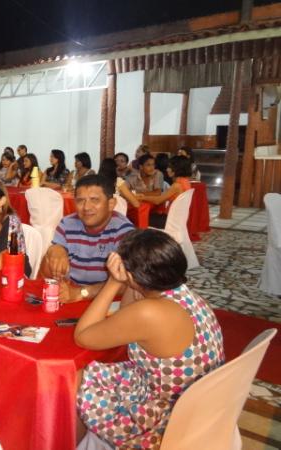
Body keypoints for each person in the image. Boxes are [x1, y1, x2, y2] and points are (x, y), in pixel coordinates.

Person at [74, 228, 224, 448]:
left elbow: (83, 336)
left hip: (165, 419)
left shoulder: (150, 313)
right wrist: (131, 281)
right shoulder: (184, 295)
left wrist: (114, 282)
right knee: (102, 370)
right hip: (196, 405)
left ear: (132, 275)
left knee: (75, 376)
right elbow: (126, 312)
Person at [41, 175, 134, 301]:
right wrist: (54, 250)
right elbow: (47, 270)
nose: (86, 207)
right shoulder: (67, 223)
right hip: (70, 292)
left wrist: (81, 293)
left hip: (108, 301)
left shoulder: (124, 232)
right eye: (80, 201)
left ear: (111, 204)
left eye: (94, 200)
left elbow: (126, 282)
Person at [136, 155, 193, 228]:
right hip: (179, 219)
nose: (167, 169)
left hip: (169, 220)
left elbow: (158, 201)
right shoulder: (186, 181)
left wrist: (141, 197)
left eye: (170, 167)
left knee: (137, 217)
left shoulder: (177, 185)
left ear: (177, 169)